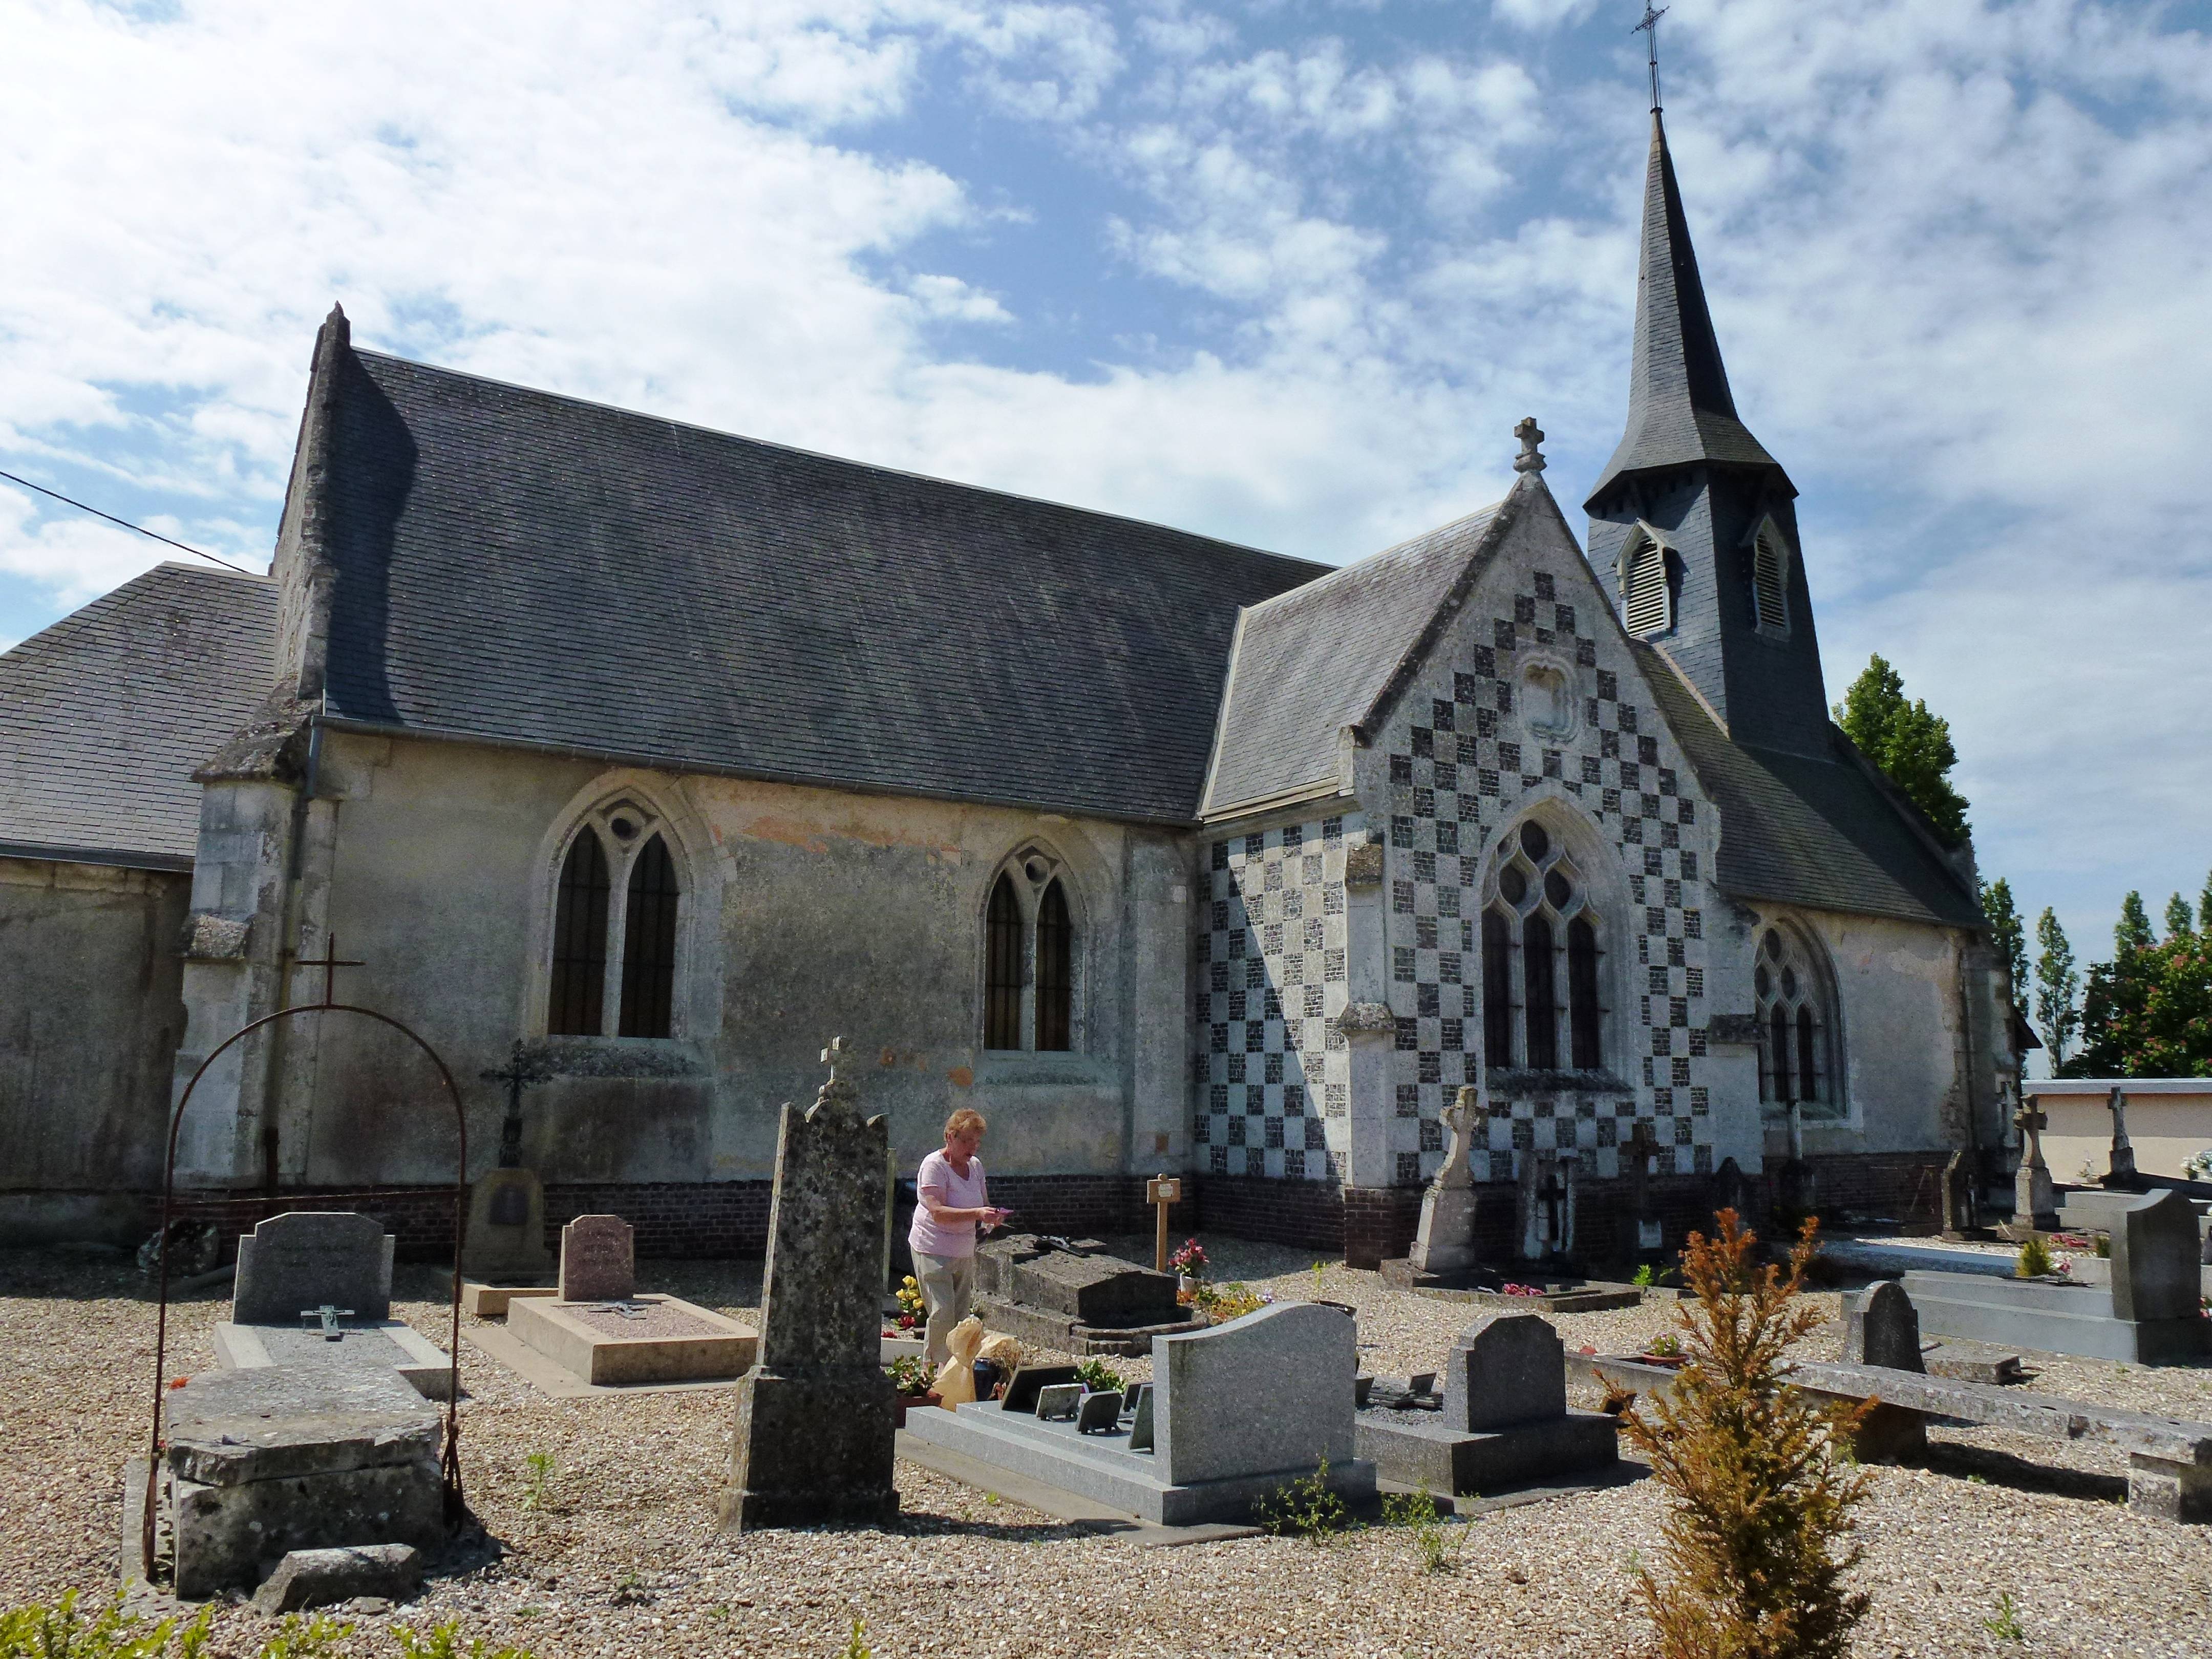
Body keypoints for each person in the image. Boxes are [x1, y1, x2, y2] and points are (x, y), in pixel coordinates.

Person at [909, 1108, 1009, 1370]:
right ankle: (930, 1373)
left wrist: (991, 1218)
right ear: (949, 1137)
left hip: (963, 1250)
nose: (972, 1148)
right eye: (966, 1141)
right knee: (942, 1313)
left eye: (976, 1142)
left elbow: (982, 1204)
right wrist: (977, 1213)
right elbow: (938, 1213)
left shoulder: (975, 1167)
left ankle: (956, 1372)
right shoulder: (933, 1166)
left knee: (962, 1318)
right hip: (932, 1247)